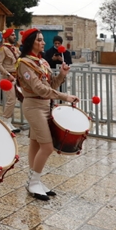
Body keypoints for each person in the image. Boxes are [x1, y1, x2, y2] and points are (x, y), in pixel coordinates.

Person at [16, 27, 75, 200]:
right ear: (30, 43)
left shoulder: (43, 63)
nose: (43, 43)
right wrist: (65, 97)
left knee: (36, 143)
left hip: (45, 105)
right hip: (33, 106)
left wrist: (62, 75)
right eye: (39, 40)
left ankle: (34, 181)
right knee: (47, 147)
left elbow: (50, 87)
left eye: (43, 40)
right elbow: (39, 89)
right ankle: (34, 182)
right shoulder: (24, 64)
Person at [0, 28, 21, 131]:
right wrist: (8, 74)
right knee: (11, 100)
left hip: (15, 77)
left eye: (14, 35)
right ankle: (5, 122)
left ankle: (9, 123)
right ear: (7, 36)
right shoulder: (2, 48)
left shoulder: (14, 48)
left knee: (13, 101)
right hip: (7, 78)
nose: (15, 36)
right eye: (13, 35)